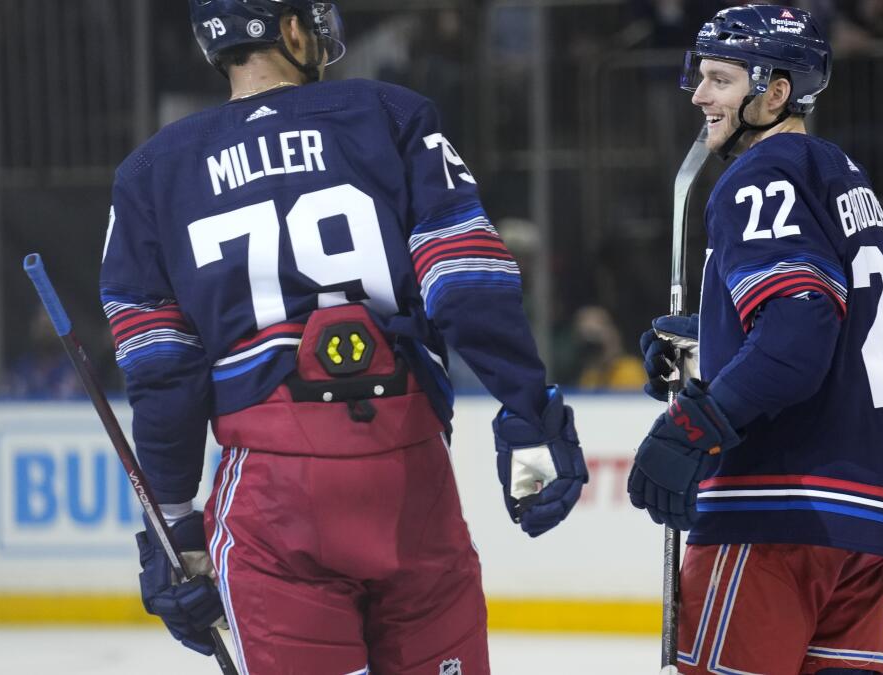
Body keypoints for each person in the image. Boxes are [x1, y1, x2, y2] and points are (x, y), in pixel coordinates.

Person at [99, 2, 588, 673]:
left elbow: (163, 376)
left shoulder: (150, 176)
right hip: (407, 473)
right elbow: (468, 281)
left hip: (273, 494)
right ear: (292, 29)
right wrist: (529, 413)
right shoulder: (392, 114)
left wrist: (174, 524)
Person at [630, 6, 883, 674]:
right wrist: (709, 338)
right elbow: (844, 320)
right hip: (866, 517)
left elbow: (797, 338)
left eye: (720, 79)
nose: (698, 95)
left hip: (776, 509)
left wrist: (692, 423)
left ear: (774, 93)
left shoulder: (760, 176)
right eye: (699, 76)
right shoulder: (845, 178)